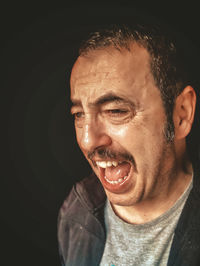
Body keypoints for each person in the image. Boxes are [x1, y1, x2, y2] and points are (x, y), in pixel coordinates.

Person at [57, 20, 200, 266]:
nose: (88, 140)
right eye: (79, 115)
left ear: (181, 114)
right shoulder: (76, 209)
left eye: (115, 110)